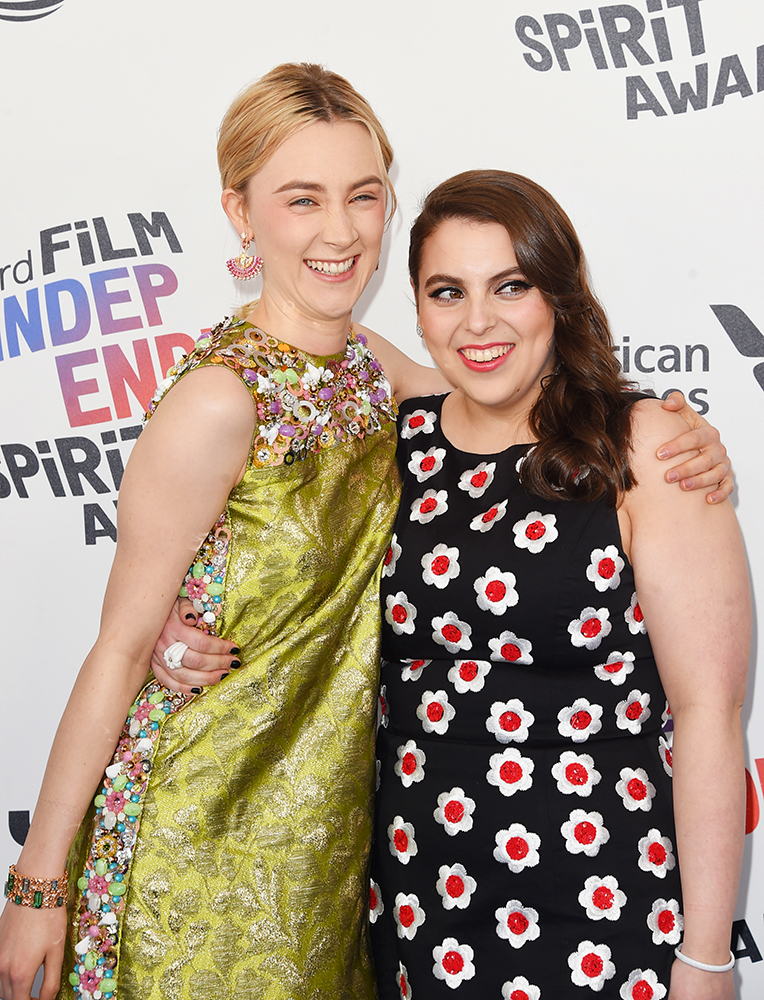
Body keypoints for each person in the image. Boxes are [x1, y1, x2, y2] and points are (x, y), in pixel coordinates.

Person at [0, 64, 731, 1000]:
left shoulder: (372, 371)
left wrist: (670, 430)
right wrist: (39, 879)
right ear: (240, 213)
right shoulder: (224, 399)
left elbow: (506, 402)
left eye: (364, 194)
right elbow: (118, 643)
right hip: (213, 826)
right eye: (302, 199)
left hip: (368, 856)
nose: (340, 231)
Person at [368, 170, 748, 1000]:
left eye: (511, 286)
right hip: (418, 890)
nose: (478, 321)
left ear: (559, 297)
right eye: (446, 291)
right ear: (418, 310)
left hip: (600, 892)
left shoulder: (645, 446)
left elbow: (710, 714)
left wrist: (709, 955)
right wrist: (184, 619)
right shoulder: (393, 443)